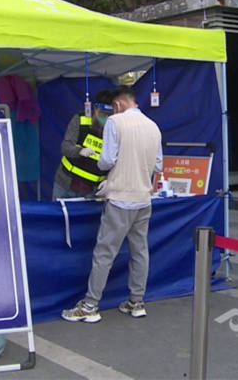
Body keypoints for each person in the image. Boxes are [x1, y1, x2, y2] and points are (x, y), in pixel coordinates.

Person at [61, 85, 162, 323]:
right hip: (144, 199)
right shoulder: (153, 126)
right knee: (140, 252)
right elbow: (158, 165)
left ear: (117, 104)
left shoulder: (116, 123)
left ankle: (90, 305)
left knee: (104, 253)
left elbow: (105, 162)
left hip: (120, 199)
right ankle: (136, 301)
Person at [52, 90, 115, 200]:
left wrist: (109, 180)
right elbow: (65, 146)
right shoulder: (80, 120)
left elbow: (116, 162)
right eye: (103, 113)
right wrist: (80, 151)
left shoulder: (115, 130)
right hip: (65, 184)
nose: (105, 117)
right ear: (95, 109)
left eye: (109, 114)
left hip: (92, 191)